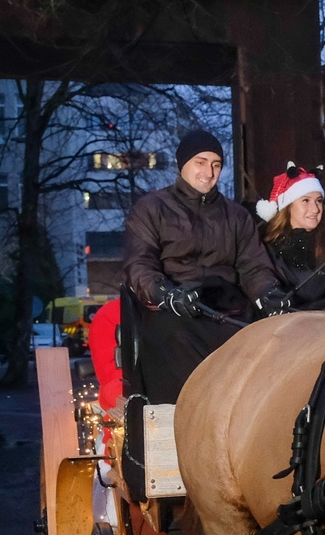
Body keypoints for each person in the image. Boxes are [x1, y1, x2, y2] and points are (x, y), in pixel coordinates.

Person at [121, 129, 292, 404]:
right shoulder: (151, 209)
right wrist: (167, 294)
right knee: (173, 336)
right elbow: (140, 264)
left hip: (227, 309)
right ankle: (191, 411)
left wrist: (268, 294)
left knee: (265, 340)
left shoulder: (236, 216)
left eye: (216, 164)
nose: (208, 172)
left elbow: (253, 267)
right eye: (200, 162)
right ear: (181, 164)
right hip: (175, 309)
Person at [255, 162, 325, 312]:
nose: (315, 209)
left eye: (319, 201)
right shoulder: (265, 250)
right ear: (288, 207)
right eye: (306, 201)